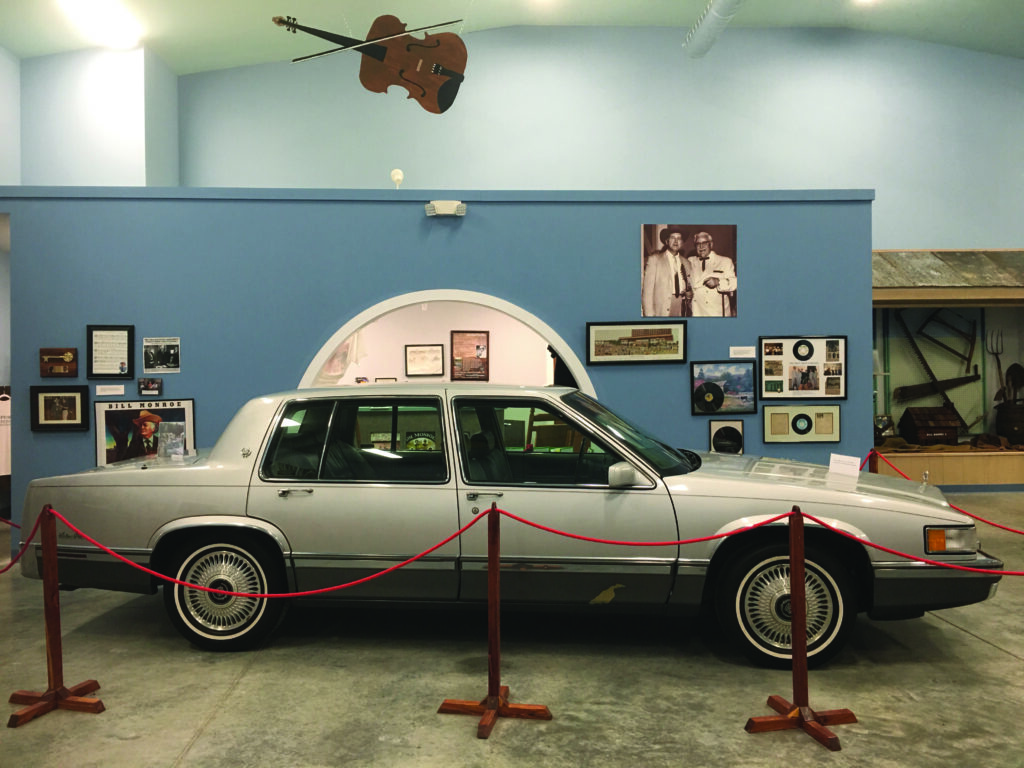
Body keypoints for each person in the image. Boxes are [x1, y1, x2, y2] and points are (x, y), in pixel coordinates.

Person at [642, 225, 691, 316]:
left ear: (682, 243)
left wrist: (689, 294)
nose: (676, 241)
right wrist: (649, 316)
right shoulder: (654, 260)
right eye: (672, 237)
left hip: (681, 307)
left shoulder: (687, 263)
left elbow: (690, 287)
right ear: (667, 241)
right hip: (661, 309)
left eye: (679, 238)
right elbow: (647, 293)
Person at [687, 231, 737, 317]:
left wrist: (718, 282)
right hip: (696, 312)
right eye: (698, 244)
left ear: (711, 244)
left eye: (704, 243)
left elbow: (734, 283)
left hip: (717, 312)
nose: (701, 246)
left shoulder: (725, 261)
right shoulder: (690, 261)